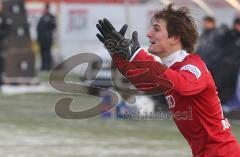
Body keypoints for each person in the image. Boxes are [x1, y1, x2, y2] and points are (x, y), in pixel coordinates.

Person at [96, 4, 240, 157]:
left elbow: (183, 84)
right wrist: (118, 55)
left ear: (175, 38)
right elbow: (141, 80)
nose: (149, 34)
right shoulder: (171, 71)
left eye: (156, 29)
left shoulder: (193, 65)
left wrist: (137, 54)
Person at [37, 3, 56, 71]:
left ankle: (48, 66)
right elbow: (39, 28)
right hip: (42, 39)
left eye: (46, 8)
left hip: (48, 39)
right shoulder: (42, 17)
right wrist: (39, 38)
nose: (45, 10)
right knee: (42, 53)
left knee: (47, 53)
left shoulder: (51, 17)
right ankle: (43, 66)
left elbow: (53, 26)